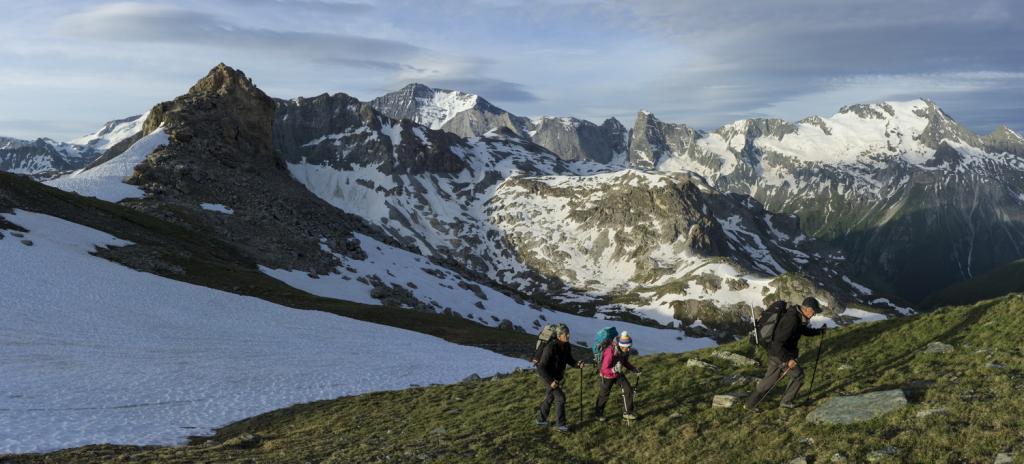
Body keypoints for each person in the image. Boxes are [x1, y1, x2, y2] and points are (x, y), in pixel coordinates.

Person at [745, 297, 826, 411]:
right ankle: (785, 402)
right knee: (798, 375)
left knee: (769, 380)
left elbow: (802, 330)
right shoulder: (792, 320)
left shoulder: (797, 316)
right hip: (780, 355)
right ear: (807, 309)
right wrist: (788, 360)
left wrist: (819, 331)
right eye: (814, 311)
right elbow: (777, 343)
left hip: (777, 354)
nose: (814, 314)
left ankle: (750, 404)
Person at [536, 323, 586, 433]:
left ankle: (540, 419)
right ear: (559, 336)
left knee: (550, 397)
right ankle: (561, 425)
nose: (568, 336)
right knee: (561, 398)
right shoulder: (550, 347)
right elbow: (541, 367)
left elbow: (569, 360)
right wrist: (550, 381)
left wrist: (578, 364)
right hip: (548, 377)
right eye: (566, 334)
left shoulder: (567, 346)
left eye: (568, 334)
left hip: (557, 377)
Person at [594, 331, 641, 421]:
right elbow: (604, 369)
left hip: (617, 374)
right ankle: (598, 414)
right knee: (604, 395)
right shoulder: (610, 352)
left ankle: (627, 412)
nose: (628, 350)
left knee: (628, 389)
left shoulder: (625, 350)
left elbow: (625, 362)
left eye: (629, 347)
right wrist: (613, 369)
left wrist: (634, 369)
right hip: (606, 376)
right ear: (621, 346)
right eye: (627, 348)